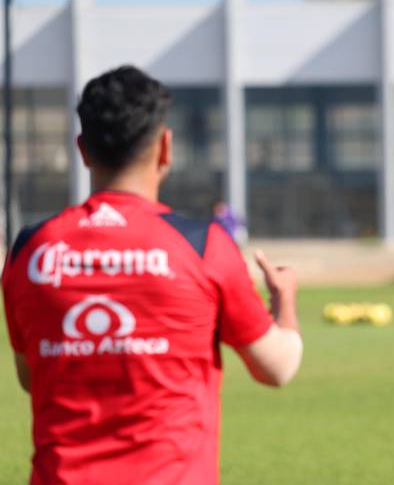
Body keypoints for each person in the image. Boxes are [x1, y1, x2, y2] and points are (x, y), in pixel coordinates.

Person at [1, 66, 303, 485]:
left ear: (82, 149)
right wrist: (284, 297)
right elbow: (278, 367)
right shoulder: (203, 245)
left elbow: (32, 378)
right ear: (165, 148)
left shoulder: (29, 250)